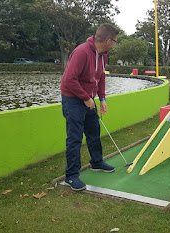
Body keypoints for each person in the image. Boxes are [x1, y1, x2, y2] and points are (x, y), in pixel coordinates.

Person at [60, 24, 119, 191]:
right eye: (114, 41)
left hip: (88, 98)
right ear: (108, 40)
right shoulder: (81, 52)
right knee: (75, 137)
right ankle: (71, 176)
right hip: (72, 99)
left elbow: (100, 77)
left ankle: (97, 162)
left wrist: (102, 98)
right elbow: (68, 80)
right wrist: (86, 98)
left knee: (93, 131)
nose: (114, 44)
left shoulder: (103, 55)